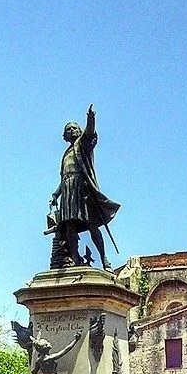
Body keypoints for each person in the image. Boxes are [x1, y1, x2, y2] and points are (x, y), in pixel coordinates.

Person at [47, 104, 121, 270]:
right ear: (64, 135)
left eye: (74, 127)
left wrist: (90, 119)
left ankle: (104, 259)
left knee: (91, 224)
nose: (72, 130)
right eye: (68, 129)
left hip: (82, 189)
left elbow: (90, 133)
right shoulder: (65, 154)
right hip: (68, 191)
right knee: (70, 226)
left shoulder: (83, 145)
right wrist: (55, 194)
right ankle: (75, 258)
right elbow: (64, 177)